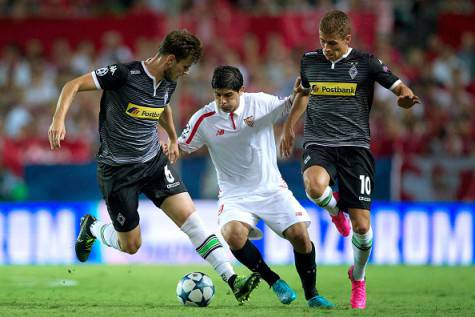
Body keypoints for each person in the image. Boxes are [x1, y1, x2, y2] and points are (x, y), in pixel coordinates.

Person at [47, 30, 259, 303]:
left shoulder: (168, 82)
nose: (185, 72)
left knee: (191, 219)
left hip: (152, 163)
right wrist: (58, 120)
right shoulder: (123, 74)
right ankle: (93, 228)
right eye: (184, 66)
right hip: (118, 170)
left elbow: (162, 106)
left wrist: (171, 136)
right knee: (131, 245)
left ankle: (233, 279)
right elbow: (71, 85)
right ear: (170, 60)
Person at [279, 11, 420, 309]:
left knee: (363, 230)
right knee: (314, 186)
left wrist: (405, 96)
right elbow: (304, 93)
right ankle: (334, 211)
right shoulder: (310, 61)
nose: (326, 49)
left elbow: (397, 86)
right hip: (320, 142)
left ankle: (357, 277)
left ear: (347, 40)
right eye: (322, 42)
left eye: (332, 43)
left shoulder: (366, 63)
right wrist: (290, 125)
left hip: (355, 149)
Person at [169, 65, 334, 309]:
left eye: (228, 95)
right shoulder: (203, 119)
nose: (222, 101)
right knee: (231, 235)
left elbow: (291, 104)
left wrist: (298, 95)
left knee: (300, 235)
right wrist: (166, 149)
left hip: (272, 189)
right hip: (235, 195)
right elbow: (181, 147)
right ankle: (274, 281)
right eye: (217, 95)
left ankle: (312, 294)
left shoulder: (261, 103)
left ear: (241, 91)